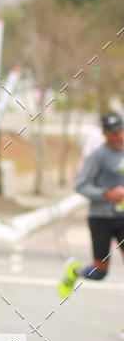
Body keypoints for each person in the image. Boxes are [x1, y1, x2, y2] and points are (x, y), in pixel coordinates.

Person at [58, 111, 124, 300]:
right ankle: (73, 271)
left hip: (122, 218)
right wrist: (106, 194)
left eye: (120, 130)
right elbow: (81, 186)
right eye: (113, 132)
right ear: (104, 133)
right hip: (100, 218)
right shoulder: (98, 156)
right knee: (99, 272)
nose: (118, 135)